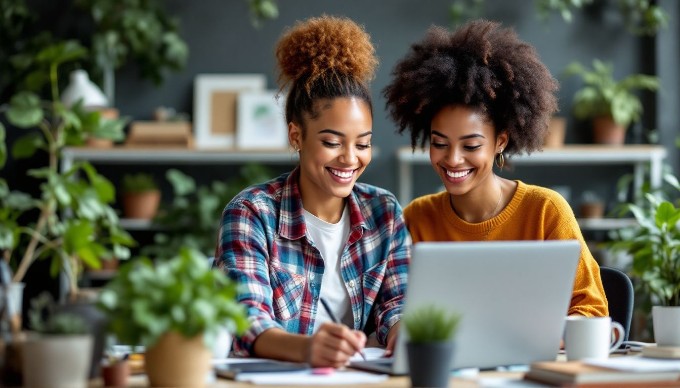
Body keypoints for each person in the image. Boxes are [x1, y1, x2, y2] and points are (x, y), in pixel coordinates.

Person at [214, 15, 410, 367]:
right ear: (296, 137)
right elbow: (244, 319)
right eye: (332, 142)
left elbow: (397, 303)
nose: (350, 158)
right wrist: (308, 350)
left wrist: (402, 331)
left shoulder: (384, 211)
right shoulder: (252, 213)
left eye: (362, 144)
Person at [383, 19, 607, 317]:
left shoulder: (545, 211)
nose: (453, 159)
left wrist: (539, 335)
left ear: (500, 141)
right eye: (439, 143)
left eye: (471, 146)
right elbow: (398, 311)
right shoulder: (417, 219)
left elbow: (592, 310)